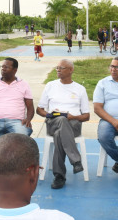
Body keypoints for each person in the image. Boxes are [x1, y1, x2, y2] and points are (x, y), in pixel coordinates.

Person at [37, 59, 90, 189]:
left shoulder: (80, 89)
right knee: (61, 119)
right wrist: (50, 114)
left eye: (62, 68)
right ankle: (76, 160)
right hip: (53, 121)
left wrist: (73, 116)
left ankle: (59, 175)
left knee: (59, 133)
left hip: (73, 124)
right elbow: (39, 110)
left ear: (71, 70)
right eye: (57, 68)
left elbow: (86, 116)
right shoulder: (50, 86)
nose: (58, 70)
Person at [0, 58, 34, 156]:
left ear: (15, 70)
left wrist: (28, 119)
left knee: (22, 137)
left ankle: (12, 165)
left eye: (6, 67)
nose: (3, 69)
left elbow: (30, 107)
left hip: (17, 121)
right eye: (2, 67)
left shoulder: (24, 84)